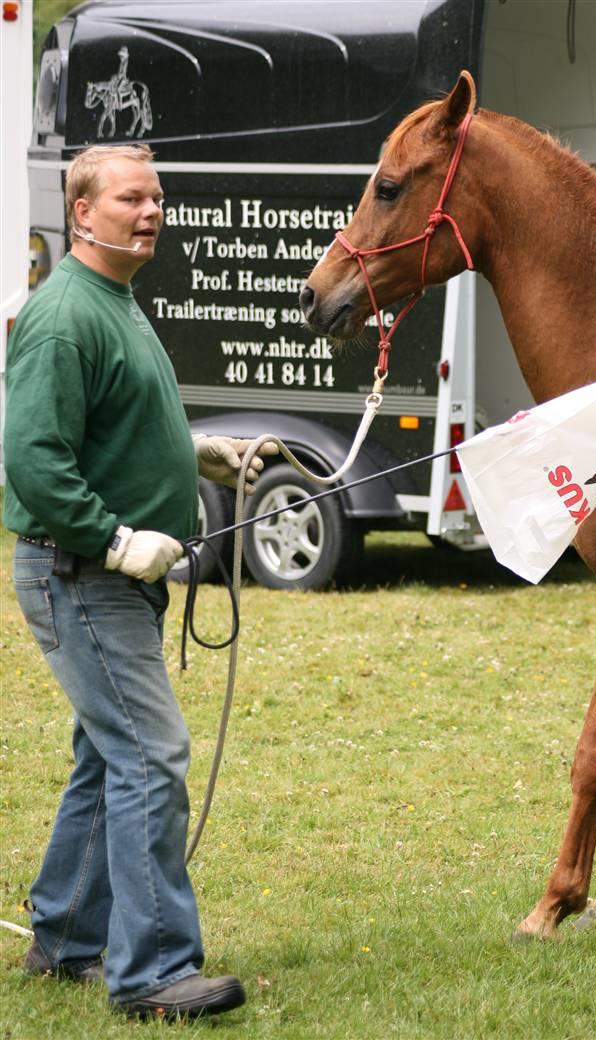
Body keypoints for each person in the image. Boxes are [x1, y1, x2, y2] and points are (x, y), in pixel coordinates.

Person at [3, 143, 277, 1020]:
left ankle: (66, 938)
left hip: (106, 578)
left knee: (106, 753)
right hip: (78, 571)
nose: (152, 210)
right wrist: (117, 541)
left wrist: (192, 451)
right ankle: (153, 972)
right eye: (132, 198)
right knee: (150, 754)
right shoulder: (62, 315)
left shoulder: (115, 301)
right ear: (82, 213)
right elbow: (34, 461)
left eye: (157, 197)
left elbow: (109, 417)